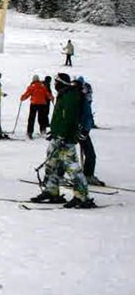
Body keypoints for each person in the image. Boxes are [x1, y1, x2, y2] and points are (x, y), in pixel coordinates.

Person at [30, 74, 95, 208]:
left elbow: (68, 119)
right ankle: (51, 191)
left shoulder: (71, 96)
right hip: (57, 136)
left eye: (56, 82)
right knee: (51, 165)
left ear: (61, 83)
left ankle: (82, 196)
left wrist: (62, 135)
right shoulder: (64, 94)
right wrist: (54, 132)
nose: (54, 84)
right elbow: (60, 117)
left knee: (72, 168)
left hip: (65, 139)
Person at [76, 77, 104, 186]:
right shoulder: (81, 99)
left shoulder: (75, 97)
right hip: (80, 130)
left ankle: (58, 174)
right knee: (90, 154)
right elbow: (86, 116)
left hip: (78, 129)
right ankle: (88, 175)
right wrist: (85, 129)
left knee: (66, 153)